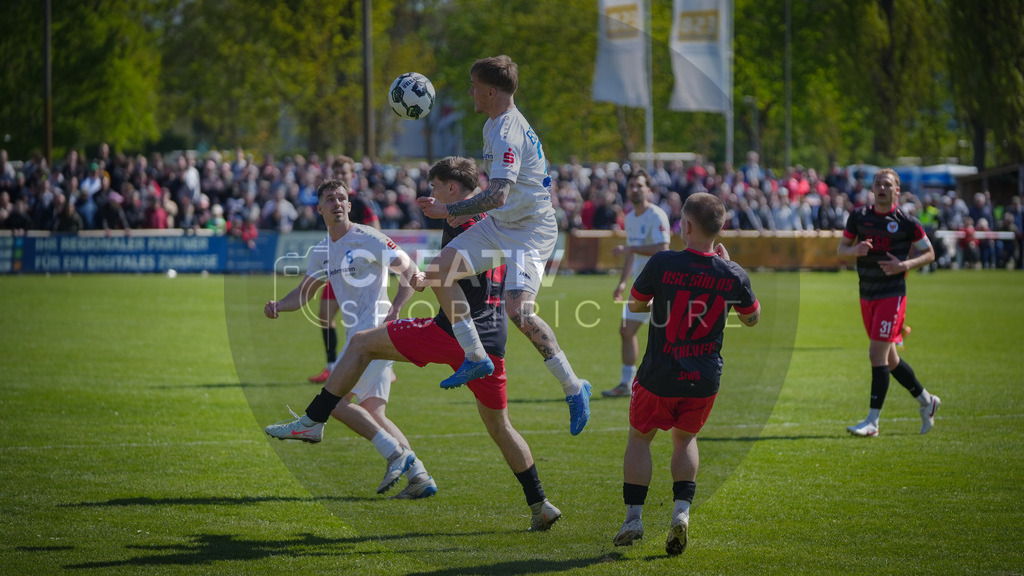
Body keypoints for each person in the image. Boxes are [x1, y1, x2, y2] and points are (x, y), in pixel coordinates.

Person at [268, 157, 562, 527]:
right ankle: (539, 504)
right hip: (492, 342)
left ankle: (318, 423)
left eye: (435, 189)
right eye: (330, 198)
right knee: (500, 427)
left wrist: (415, 285)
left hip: (450, 333)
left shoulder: (468, 229)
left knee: (359, 347)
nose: (431, 197)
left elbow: (429, 274)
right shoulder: (494, 228)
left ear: (453, 191)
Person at [416, 55, 592, 435]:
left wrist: (450, 208)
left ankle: (574, 386)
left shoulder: (508, 130)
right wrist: (458, 210)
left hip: (530, 231)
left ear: (491, 91)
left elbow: (496, 195)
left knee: (519, 312)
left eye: (475, 86)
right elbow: (497, 199)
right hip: (501, 225)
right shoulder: (493, 123)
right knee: (438, 272)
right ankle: (476, 355)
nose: (470, 92)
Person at [611, 192, 760, 556]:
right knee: (685, 441)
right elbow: (752, 318)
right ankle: (681, 513)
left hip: (659, 372)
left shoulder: (663, 263)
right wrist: (730, 270)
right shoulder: (733, 273)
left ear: (688, 226)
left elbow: (635, 304)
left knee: (640, 438)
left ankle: (633, 518)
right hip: (705, 377)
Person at [262, 178, 430, 496]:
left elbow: (409, 271)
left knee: (335, 401)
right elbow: (304, 293)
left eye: (342, 198)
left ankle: (393, 454)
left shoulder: (367, 237)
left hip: (374, 337)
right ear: (320, 208)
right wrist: (279, 306)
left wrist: (395, 309)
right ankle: (419, 476)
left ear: (349, 206)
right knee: (373, 411)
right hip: (360, 337)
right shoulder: (323, 250)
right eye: (330, 198)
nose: (337, 203)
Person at [837, 168, 941, 437]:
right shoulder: (859, 217)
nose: (882, 188)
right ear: (872, 189)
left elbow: (929, 253)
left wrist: (904, 264)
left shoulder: (908, 222)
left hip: (892, 294)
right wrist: (855, 250)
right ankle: (927, 402)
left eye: (887, 184)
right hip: (866, 293)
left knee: (876, 355)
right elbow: (841, 251)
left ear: (897, 190)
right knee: (890, 360)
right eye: (878, 184)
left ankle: (872, 422)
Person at [603, 169, 671, 398]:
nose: (634, 189)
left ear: (648, 190)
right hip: (640, 286)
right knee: (626, 330)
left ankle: (670, 382)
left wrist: (630, 248)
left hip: (660, 286)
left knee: (665, 337)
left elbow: (663, 249)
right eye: (631, 185)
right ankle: (626, 383)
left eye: (639, 185)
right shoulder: (630, 217)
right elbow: (631, 255)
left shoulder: (657, 215)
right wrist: (622, 283)